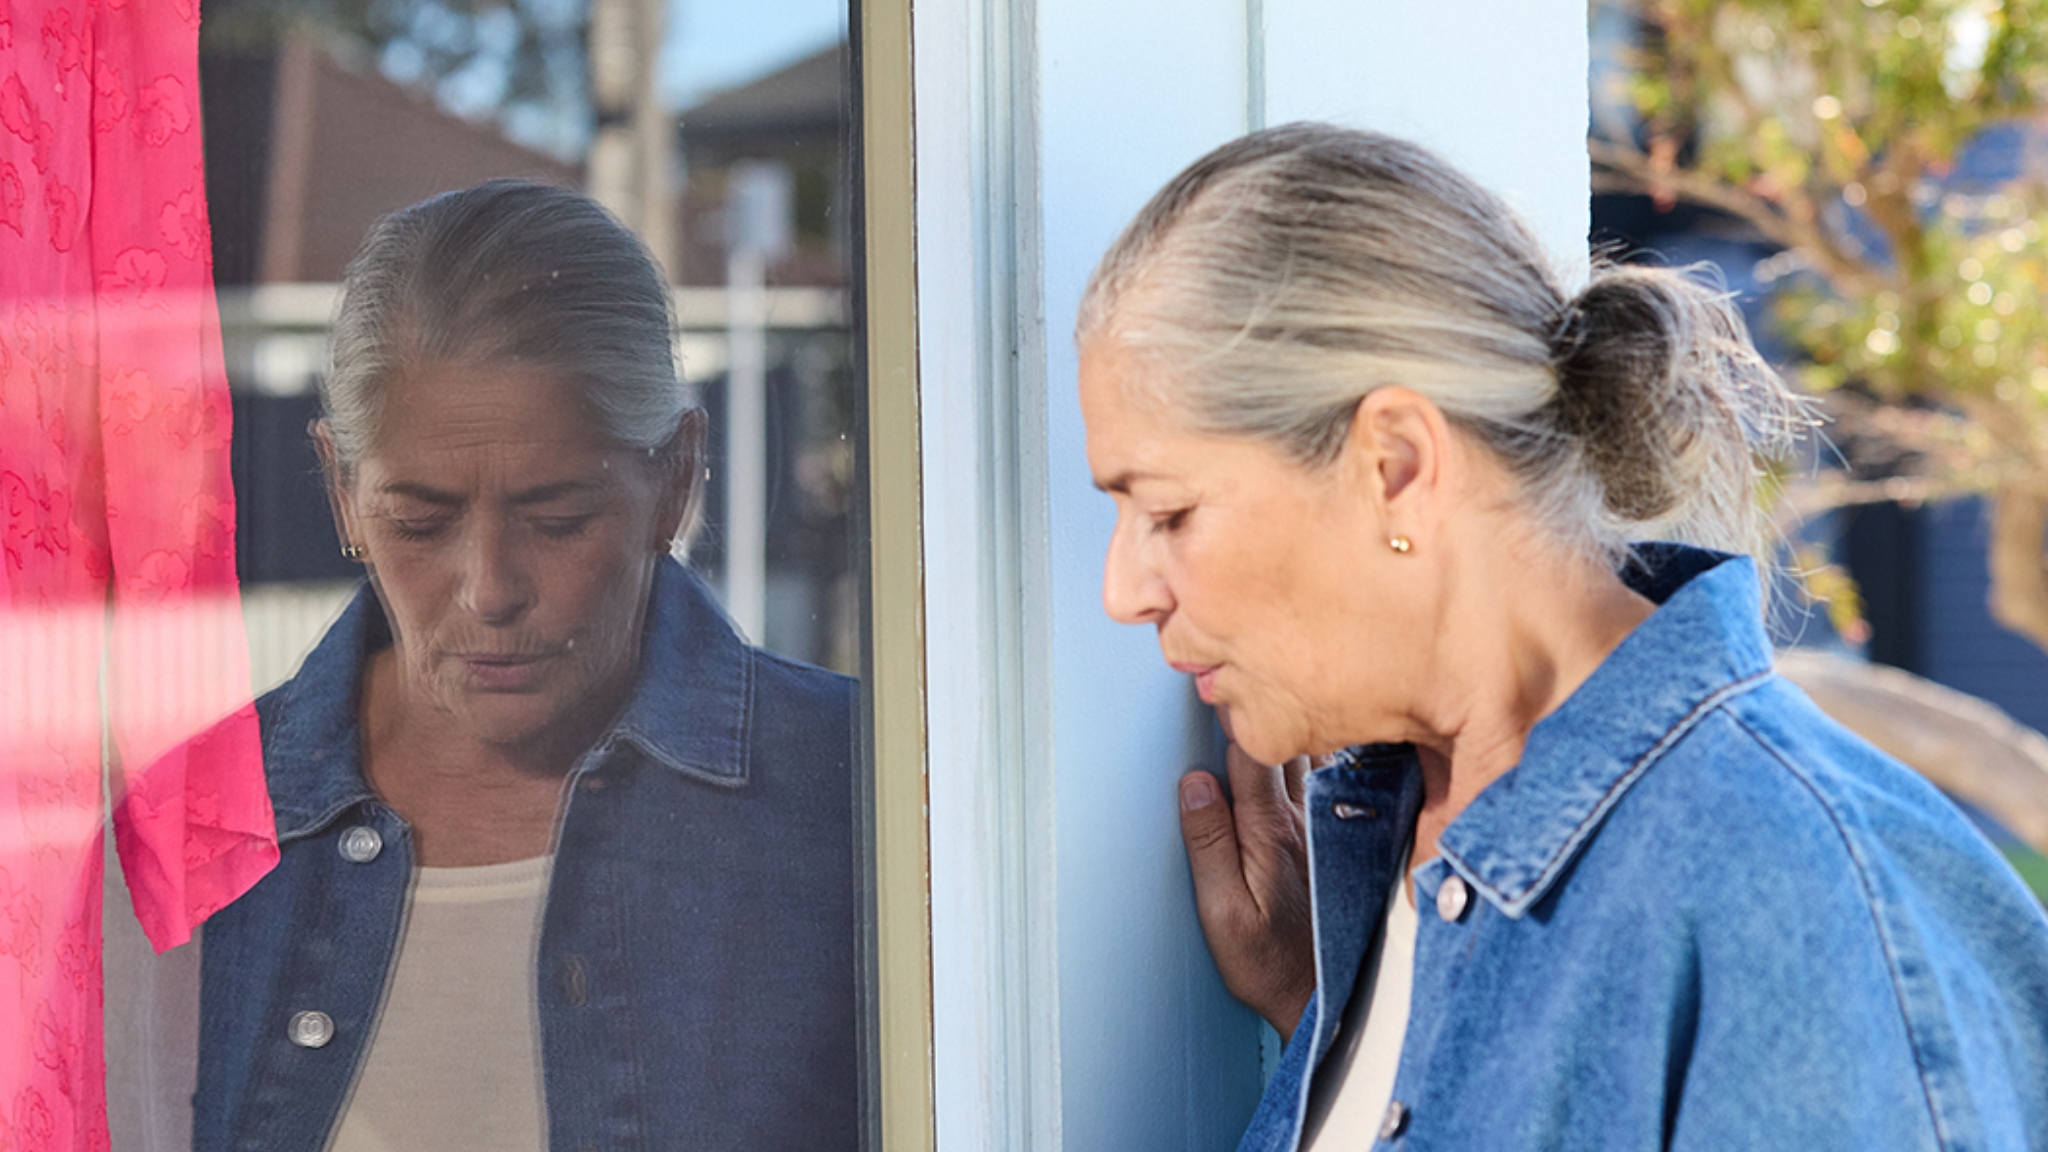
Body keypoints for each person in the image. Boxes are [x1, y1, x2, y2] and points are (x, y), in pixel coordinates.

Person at [1076, 124, 2048, 1151]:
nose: (1121, 592)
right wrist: (1340, 1023)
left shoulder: (1791, 903)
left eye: (1169, 514)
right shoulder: (1392, 881)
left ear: (1395, 464)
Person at [188, 181, 860, 1151]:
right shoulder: (193, 833)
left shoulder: (859, 803)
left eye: (558, 520)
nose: (489, 589)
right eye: (419, 522)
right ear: (341, 491)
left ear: (675, 479)